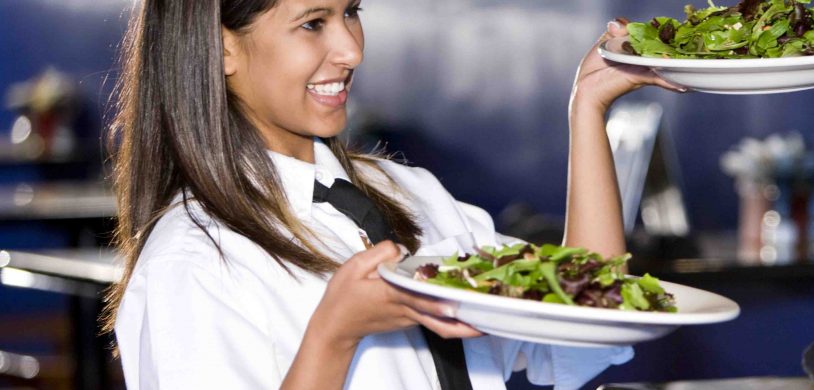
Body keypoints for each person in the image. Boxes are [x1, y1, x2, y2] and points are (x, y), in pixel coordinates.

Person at [101, 0, 685, 389]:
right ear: (221, 45)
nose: (351, 49)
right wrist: (336, 333)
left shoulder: (408, 192)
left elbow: (591, 302)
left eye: (351, 11)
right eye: (313, 23)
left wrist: (588, 106)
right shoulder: (194, 260)